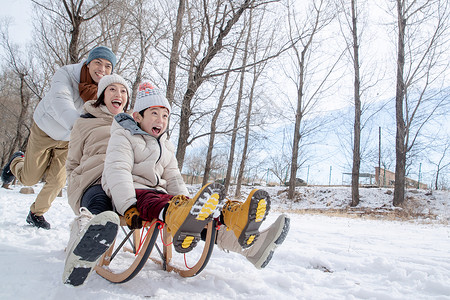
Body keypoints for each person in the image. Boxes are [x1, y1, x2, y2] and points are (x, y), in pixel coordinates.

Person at [101, 82, 290, 262]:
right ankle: (182, 215)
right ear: (138, 117)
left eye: (165, 116)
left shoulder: (164, 144)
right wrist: (127, 206)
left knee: (196, 209)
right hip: (135, 196)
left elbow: (173, 177)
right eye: (154, 113)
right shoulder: (123, 136)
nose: (161, 120)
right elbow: (118, 171)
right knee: (157, 201)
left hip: (160, 196)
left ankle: (235, 216)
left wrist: (189, 204)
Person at [0, 46, 117, 230]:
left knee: (58, 180)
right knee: (29, 179)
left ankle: (36, 213)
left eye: (108, 66)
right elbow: (60, 99)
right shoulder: (67, 74)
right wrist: (78, 127)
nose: (102, 69)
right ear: (88, 62)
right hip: (46, 129)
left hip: (69, 139)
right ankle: (17, 161)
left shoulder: (105, 89)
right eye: (98, 63)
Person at [62, 74, 129, 286]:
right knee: (101, 201)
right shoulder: (84, 121)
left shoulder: (130, 126)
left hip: (122, 181)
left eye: (123, 91)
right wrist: (76, 182)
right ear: (101, 95)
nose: (118, 94)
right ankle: (84, 240)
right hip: (93, 180)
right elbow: (72, 161)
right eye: (112, 90)